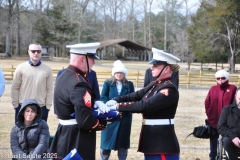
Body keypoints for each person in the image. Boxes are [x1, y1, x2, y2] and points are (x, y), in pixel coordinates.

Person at [106, 48, 181, 160]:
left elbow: (143, 105)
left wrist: (117, 107)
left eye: (155, 66)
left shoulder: (169, 89)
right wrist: (115, 99)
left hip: (162, 143)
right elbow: (135, 95)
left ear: (167, 68)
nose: (151, 68)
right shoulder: (155, 84)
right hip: (151, 140)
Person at [50, 42, 110, 160]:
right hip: (77, 139)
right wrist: (104, 122)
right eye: (92, 58)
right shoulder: (79, 83)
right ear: (82, 59)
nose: (94, 62)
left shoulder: (64, 75)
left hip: (64, 134)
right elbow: (85, 121)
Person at [100, 60, 135, 160]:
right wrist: (111, 106)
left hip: (124, 118)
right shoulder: (108, 83)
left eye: (121, 73)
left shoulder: (130, 84)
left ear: (124, 74)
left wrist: (123, 107)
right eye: (117, 73)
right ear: (114, 73)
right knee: (106, 142)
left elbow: (133, 99)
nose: (119, 74)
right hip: (109, 117)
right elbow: (103, 97)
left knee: (122, 144)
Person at [11, 43, 53, 123]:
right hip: (23, 107)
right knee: (21, 134)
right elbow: (15, 87)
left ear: (41, 52)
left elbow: (50, 89)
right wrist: (16, 106)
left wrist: (47, 107)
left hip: (41, 108)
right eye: (33, 51)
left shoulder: (47, 69)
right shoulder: (21, 68)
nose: (36, 53)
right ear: (29, 52)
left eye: (38, 51)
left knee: (39, 134)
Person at [205, 69, 237, 160]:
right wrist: (209, 114)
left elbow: (235, 103)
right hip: (214, 119)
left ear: (227, 78)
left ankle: (228, 156)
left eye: (222, 78)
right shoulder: (213, 89)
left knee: (227, 140)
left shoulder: (232, 88)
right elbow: (207, 102)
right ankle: (213, 157)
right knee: (213, 139)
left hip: (228, 121)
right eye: (218, 78)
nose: (220, 80)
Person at [217, 87, 240, 160]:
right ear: (236, 96)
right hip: (231, 137)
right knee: (226, 141)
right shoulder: (227, 110)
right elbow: (220, 127)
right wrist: (233, 137)